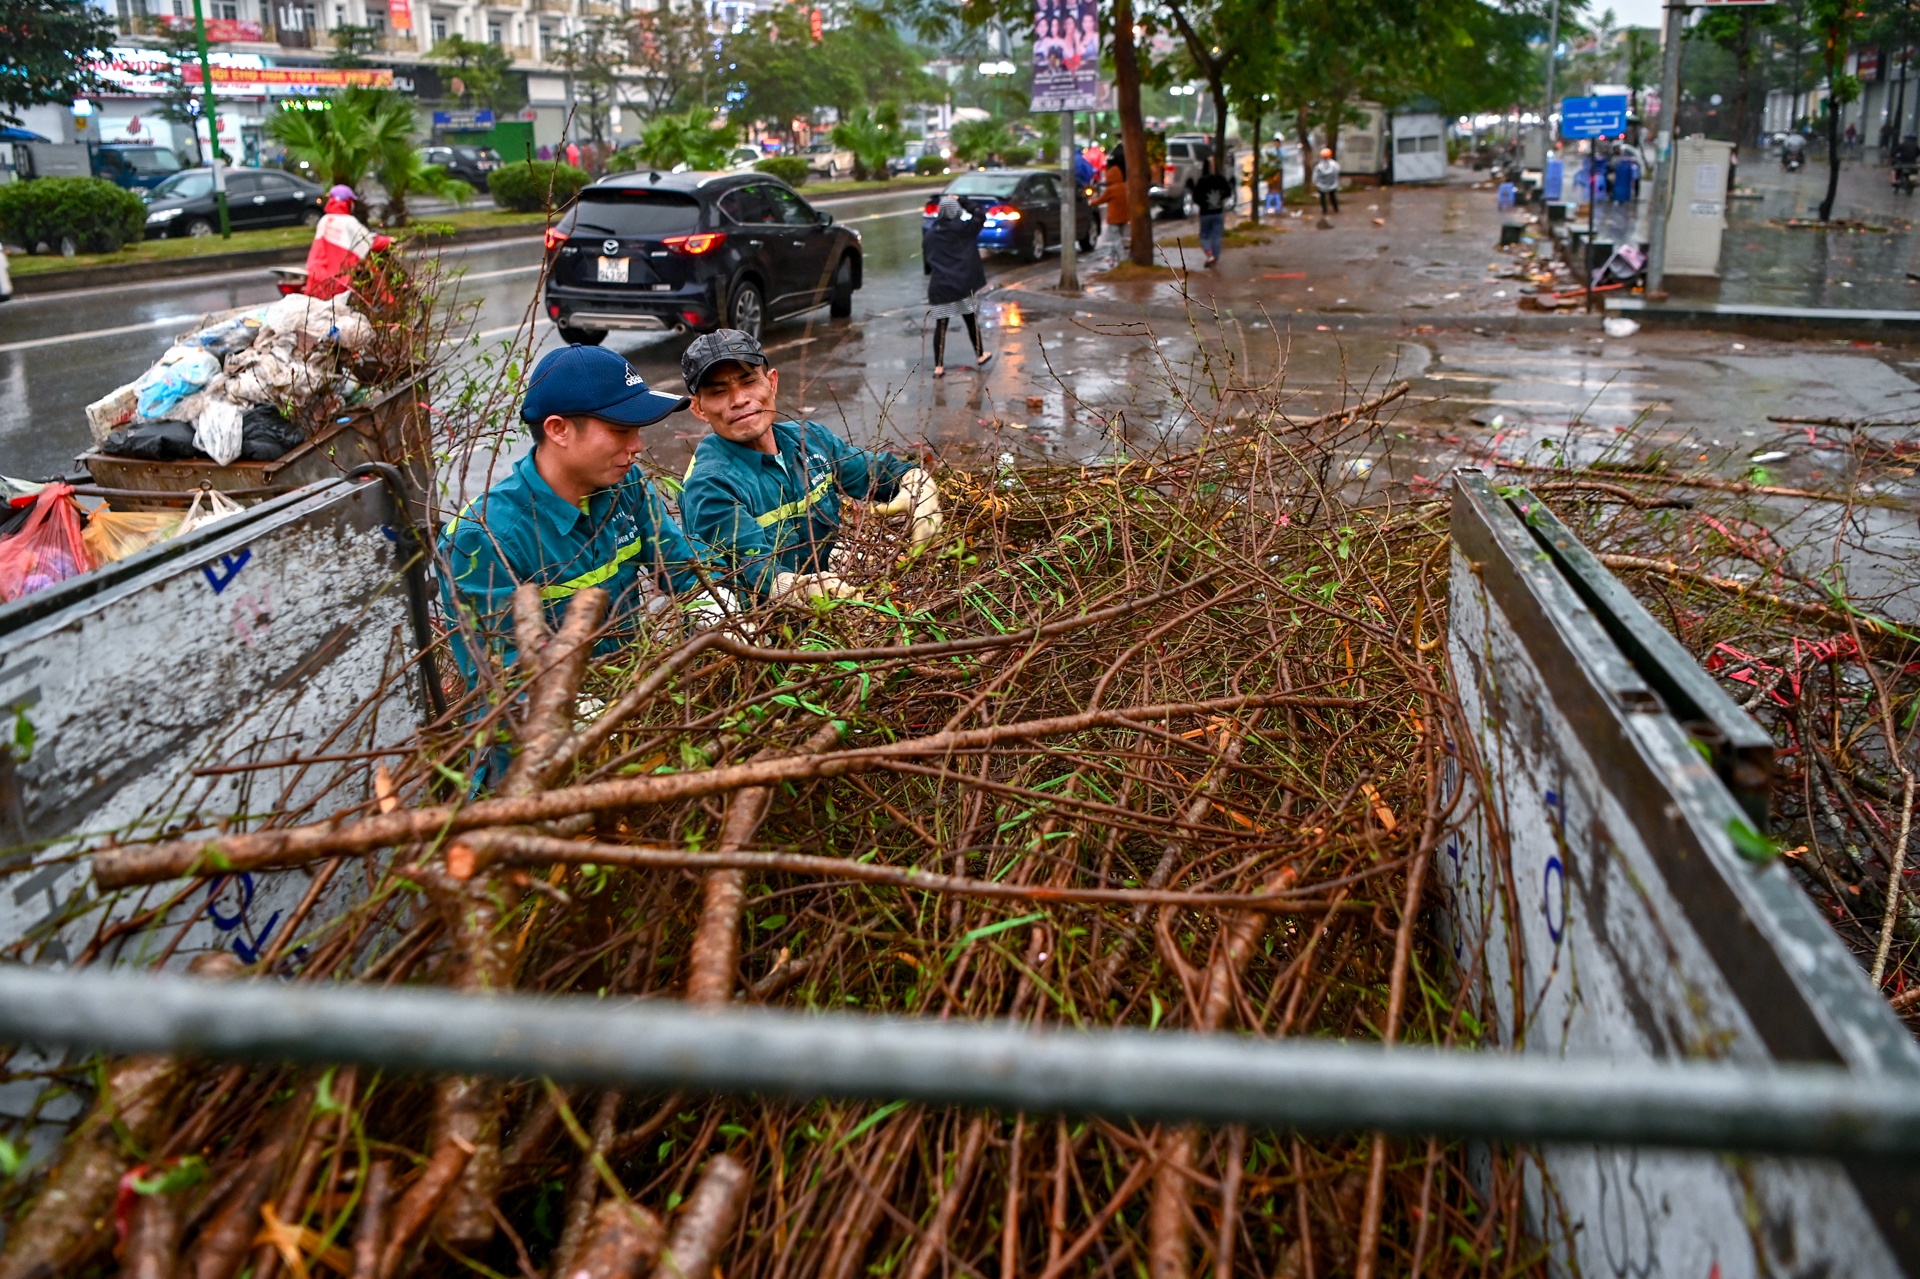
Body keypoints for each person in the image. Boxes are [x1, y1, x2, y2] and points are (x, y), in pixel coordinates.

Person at [438, 344, 723, 686]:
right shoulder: (481, 539)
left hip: (634, 693)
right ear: (558, 430)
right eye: (620, 430)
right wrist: (573, 711)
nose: (637, 445)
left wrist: (719, 603)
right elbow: (505, 679)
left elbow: (678, 563)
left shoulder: (624, 484)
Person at [676, 330, 942, 605]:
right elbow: (752, 568)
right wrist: (794, 588)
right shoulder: (709, 484)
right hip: (766, 634)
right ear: (699, 409)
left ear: (772, 383)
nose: (739, 399)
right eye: (720, 392)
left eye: (749, 381)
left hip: (831, 611)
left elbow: (879, 473)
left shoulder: (809, 441)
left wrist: (916, 484)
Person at [921, 194, 993, 375]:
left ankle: (938, 366)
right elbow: (979, 214)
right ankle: (981, 354)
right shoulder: (965, 230)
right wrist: (963, 200)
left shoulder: (931, 234)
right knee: (970, 319)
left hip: (940, 286)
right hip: (962, 285)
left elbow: (927, 260)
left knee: (941, 325)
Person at [302, 185, 390, 300]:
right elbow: (369, 241)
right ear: (348, 202)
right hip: (340, 281)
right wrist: (390, 241)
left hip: (315, 278)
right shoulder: (349, 222)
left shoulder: (324, 220)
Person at [1193, 157, 1234, 267]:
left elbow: (1195, 197)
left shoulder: (1201, 181)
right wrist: (1221, 199)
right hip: (1218, 212)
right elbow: (1228, 192)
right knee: (1216, 236)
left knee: (1204, 236)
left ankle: (1209, 254)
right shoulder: (1220, 179)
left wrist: (1202, 204)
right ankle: (1215, 258)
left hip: (1205, 213)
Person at [1090, 159, 1131, 259]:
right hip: (1125, 217)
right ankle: (1115, 258)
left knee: (1116, 239)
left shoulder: (1111, 190)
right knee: (1120, 238)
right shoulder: (1125, 187)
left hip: (1114, 219)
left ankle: (1121, 259)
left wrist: (1091, 202)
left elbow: (1101, 200)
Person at [1312, 148, 1340, 218]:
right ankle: (1336, 209)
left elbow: (1315, 176)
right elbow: (1337, 173)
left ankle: (1325, 210)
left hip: (1321, 186)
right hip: (1332, 185)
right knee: (1333, 197)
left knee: (1323, 198)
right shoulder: (1334, 165)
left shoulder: (1318, 166)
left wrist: (1316, 183)